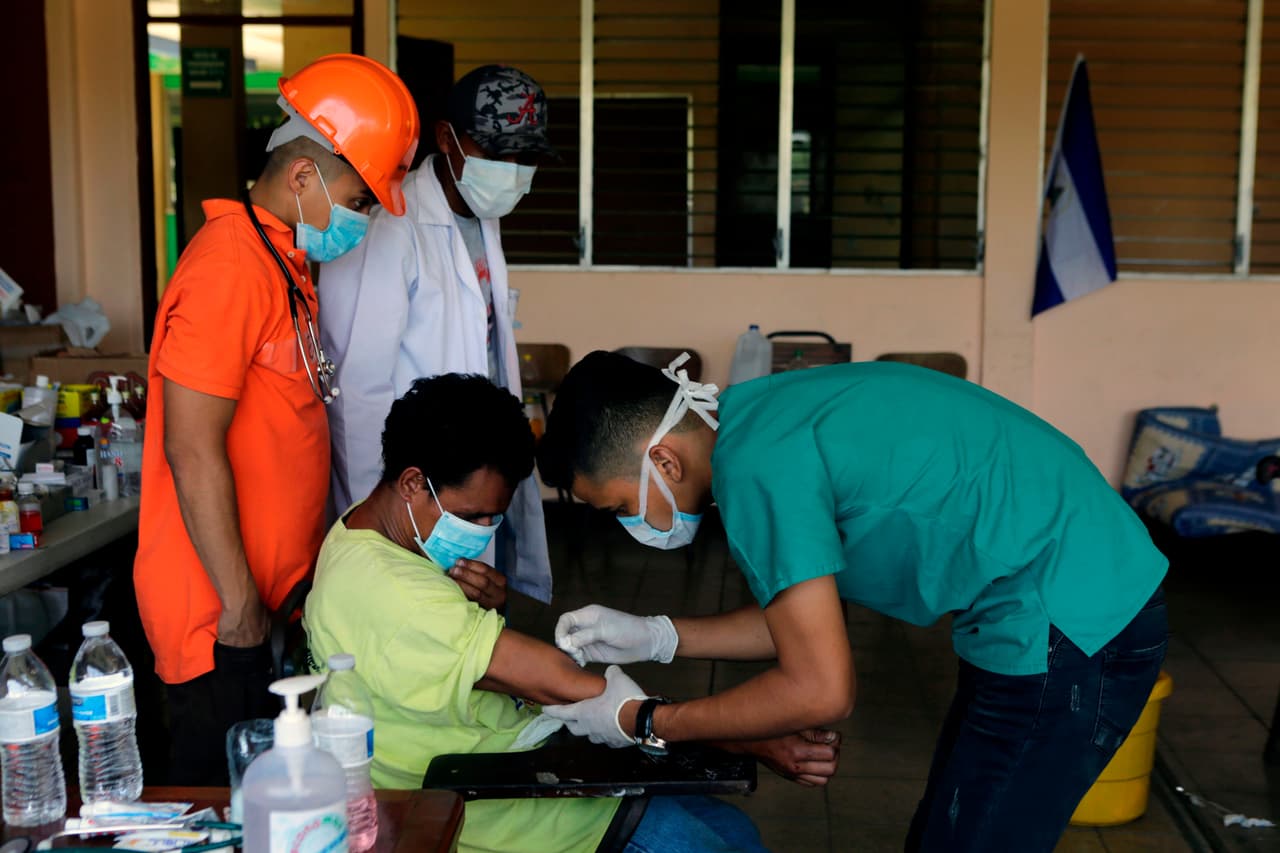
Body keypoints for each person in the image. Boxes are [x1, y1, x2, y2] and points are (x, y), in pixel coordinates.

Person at [534, 352, 1170, 853]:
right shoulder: (755, 421)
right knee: (951, 830)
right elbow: (800, 622)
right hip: (1066, 587)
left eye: (619, 507)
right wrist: (658, 635)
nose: (628, 525)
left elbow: (821, 689)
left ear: (664, 462)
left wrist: (645, 720)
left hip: (1069, 616)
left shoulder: (757, 469)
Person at [304, 374, 840, 853]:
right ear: (412, 483)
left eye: (495, 516)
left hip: (534, 761)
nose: (483, 532)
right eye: (473, 516)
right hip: (521, 813)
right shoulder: (396, 594)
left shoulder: (360, 531)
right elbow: (570, 688)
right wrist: (750, 737)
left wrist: (489, 613)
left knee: (736, 833)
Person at [134, 54, 419, 785]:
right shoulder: (228, 268)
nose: (363, 219)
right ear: (301, 177)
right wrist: (238, 607)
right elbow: (190, 448)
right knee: (229, 806)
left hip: (267, 604)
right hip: (220, 617)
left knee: (283, 798)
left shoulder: (280, 262)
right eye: (358, 200)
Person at [319, 64, 554, 605]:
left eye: (524, 157)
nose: (512, 171)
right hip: (414, 496)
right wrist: (378, 533)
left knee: (467, 616)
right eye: (496, 153)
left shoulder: (480, 215)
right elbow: (357, 394)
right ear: (446, 138)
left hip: (471, 479)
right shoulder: (389, 224)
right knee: (412, 616)